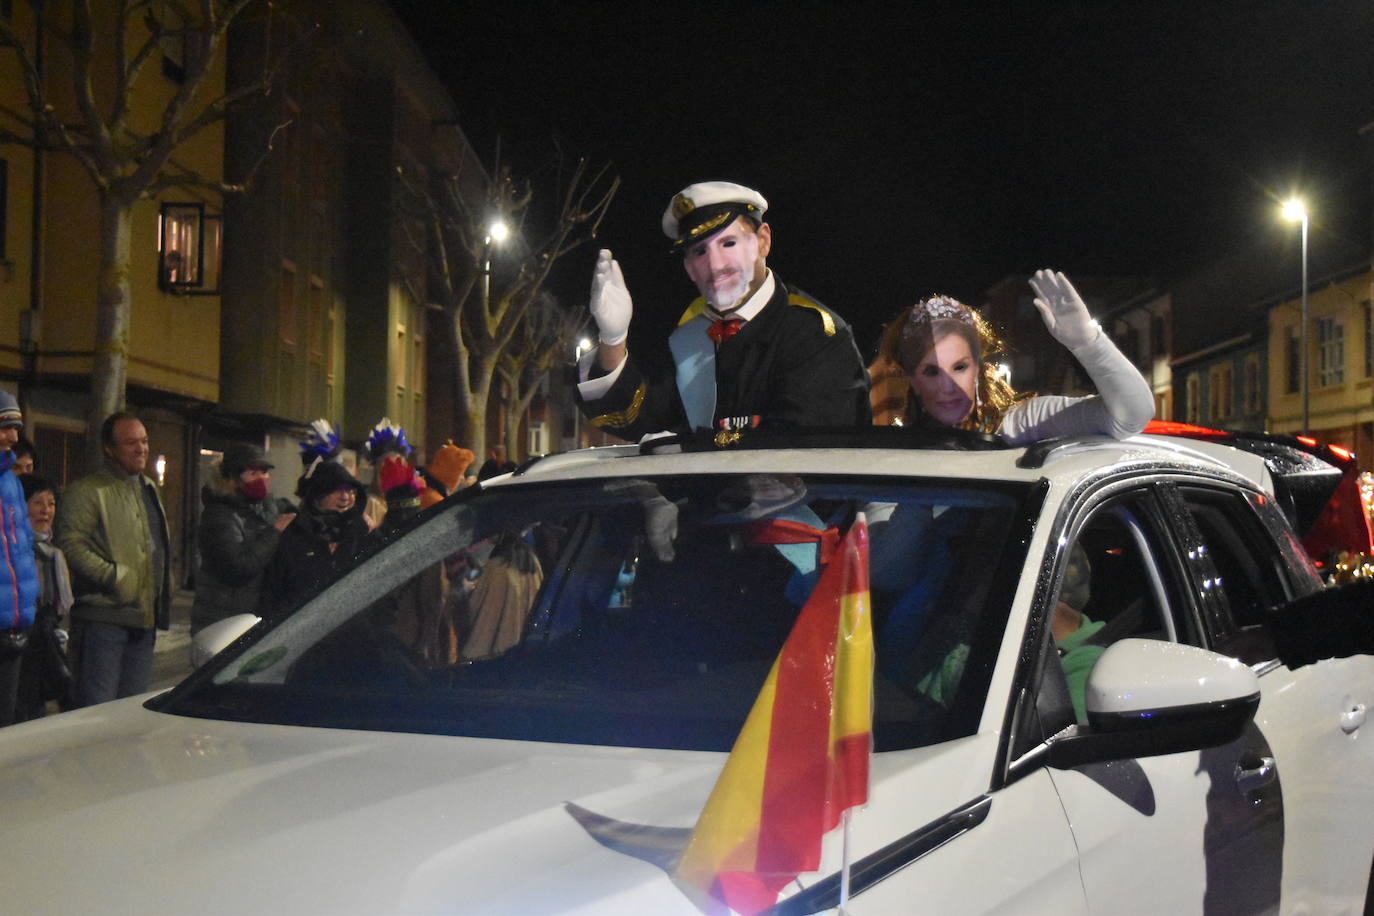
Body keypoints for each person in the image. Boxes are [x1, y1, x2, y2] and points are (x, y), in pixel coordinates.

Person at [576, 181, 871, 440]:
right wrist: (613, 339)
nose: (714, 266)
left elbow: (805, 453)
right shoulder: (684, 332)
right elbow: (632, 419)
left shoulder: (816, 334)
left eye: (728, 243)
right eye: (699, 252)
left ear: (763, 241)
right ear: (688, 267)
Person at [875, 269, 1155, 443]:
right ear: (911, 378)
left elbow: (1131, 417)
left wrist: (1088, 343)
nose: (948, 386)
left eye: (959, 366)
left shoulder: (1022, 423)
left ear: (978, 367)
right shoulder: (896, 451)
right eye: (932, 371)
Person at [55, 412, 171, 707]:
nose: (141, 448)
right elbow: (70, 543)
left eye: (144, 441)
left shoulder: (147, 488)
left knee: (130, 712)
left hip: (143, 619)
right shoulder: (88, 491)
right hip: (103, 621)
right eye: (130, 442)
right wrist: (114, 576)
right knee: (97, 710)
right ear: (109, 448)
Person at [189, 443, 297, 635]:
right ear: (232, 479)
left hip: (248, 621)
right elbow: (240, 566)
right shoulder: (219, 516)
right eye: (253, 473)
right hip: (221, 624)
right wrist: (275, 531)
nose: (262, 479)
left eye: (264, 472)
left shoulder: (266, 507)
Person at [260, 454, 370, 618]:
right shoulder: (295, 533)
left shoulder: (360, 532)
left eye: (350, 490)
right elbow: (274, 590)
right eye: (336, 490)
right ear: (318, 494)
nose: (345, 497)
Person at [14, 475, 74, 721]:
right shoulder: (16, 549)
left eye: (51, 503)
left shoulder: (54, 555)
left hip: (44, 643)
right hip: (20, 645)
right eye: (37, 502)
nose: (45, 510)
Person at [0, 390, 38, 725]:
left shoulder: (10, 481)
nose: (13, 436)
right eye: (4, 427)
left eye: (15, 427)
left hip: (13, 627)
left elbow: (20, 545)